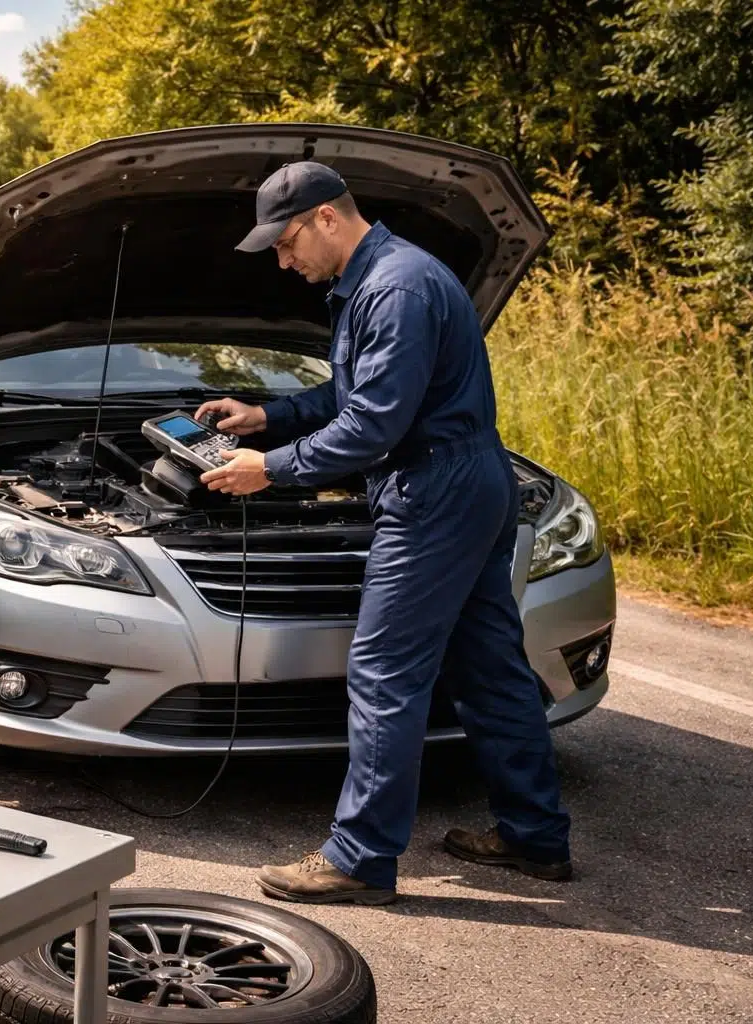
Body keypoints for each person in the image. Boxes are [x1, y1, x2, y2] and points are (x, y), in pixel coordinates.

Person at [196, 161, 572, 905]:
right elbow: (352, 392)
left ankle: (361, 856)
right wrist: (270, 416)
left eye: (287, 241)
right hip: (469, 480)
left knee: (383, 673)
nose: (283, 259)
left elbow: (372, 425)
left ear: (328, 217)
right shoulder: (386, 278)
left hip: (436, 491)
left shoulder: (395, 288)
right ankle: (535, 837)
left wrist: (269, 468)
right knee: (490, 666)